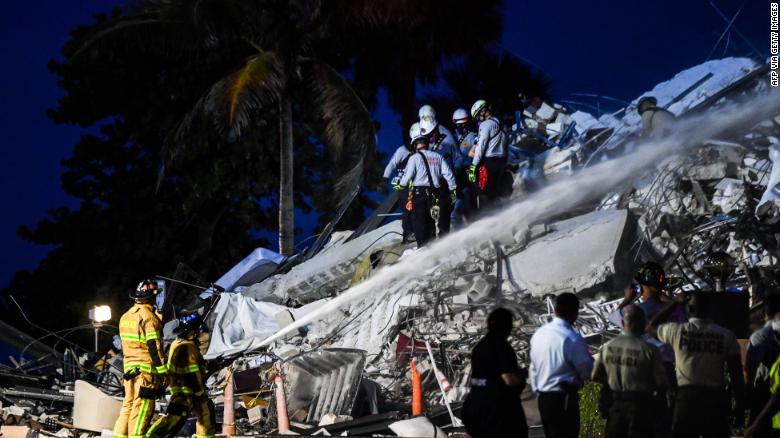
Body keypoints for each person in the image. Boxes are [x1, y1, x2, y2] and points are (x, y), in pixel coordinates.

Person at [650, 292, 744, 438]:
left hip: (687, 400)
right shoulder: (726, 335)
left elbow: (651, 326)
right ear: (710, 310)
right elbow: (736, 375)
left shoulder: (677, 331)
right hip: (715, 401)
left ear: (689, 309)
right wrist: (740, 407)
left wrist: (675, 303)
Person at [592, 305, 668, 438]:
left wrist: (612, 380)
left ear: (622, 323)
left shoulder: (607, 347)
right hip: (640, 408)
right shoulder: (649, 349)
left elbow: (595, 376)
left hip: (615, 406)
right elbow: (661, 382)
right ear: (643, 323)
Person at [529, 292, 593, 438]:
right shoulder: (573, 338)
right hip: (564, 399)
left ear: (555, 310)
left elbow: (533, 368)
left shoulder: (539, 334)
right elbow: (587, 370)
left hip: (544, 400)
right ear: (576, 313)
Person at [146, 312, 216, 438]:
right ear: (193, 332)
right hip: (186, 391)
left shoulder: (177, 343)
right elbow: (192, 372)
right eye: (199, 331)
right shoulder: (188, 347)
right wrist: (199, 392)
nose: (201, 334)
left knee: (203, 413)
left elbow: (191, 366)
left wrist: (207, 366)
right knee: (173, 421)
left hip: (182, 390)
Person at [113, 279, 168, 438]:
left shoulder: (125, 316)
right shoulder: (149, 317)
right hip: (146, 373)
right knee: (141, 410)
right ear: (152, 297)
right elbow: (154, 347)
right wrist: (162, 372)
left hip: (129, 370)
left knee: (128, 407)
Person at [462, 308, 528, 438]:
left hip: (475, 405)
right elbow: (509, 379)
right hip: (496, 411)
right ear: (507, 326)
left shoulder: (480, 346)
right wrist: (524, 375)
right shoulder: (501, 346)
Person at [398, 123, 456, 248]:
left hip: (419, 197)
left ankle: (424, 253)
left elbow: (406, 178)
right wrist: (453, 191)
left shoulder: (414, 158)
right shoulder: (438, 157)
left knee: (420, 225)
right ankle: (435, 250)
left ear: (414, 145)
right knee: (431, 224)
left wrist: (400, 185)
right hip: (434, 196)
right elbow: (449, 175)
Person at [419, 104, 459, 235]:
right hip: (433, 181)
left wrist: (453, 184)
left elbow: (453, 162)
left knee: (445, 205)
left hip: (444, 179)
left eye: (430, 135)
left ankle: (444, 233)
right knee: (433, 207)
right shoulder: (427, 135)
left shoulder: (446, 140)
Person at [745, 294, 780, 437]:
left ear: (765, 313)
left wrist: (747, 393)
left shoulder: (759, 336)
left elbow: (749, 369)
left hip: (765, 395)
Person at [468, 99, 508, 209]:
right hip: (502, 162)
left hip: (490, 163)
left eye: (478, 117)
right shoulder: (501, 124)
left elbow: (480, 147)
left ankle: (486, 218)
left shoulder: (485, 125)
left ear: (482, 112)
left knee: (483, 193)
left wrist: (473, 166)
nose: (478, 120)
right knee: (495, 194)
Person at [380, 140, 415, 243]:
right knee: (407, 208)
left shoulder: (422, 150)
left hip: (417, 183)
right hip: (404, 185)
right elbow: (391, 164)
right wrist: (384, 180)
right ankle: (407, 235)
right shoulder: (402, 150)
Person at [451, 108, 476, 228]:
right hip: (456, 176)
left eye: (465, 124)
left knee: (471, 204)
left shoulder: (472, 136)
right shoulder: (451, 138)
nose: (463, 127)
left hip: (468, 172)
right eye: (460, 125)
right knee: (459, 206)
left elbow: (475, 154)